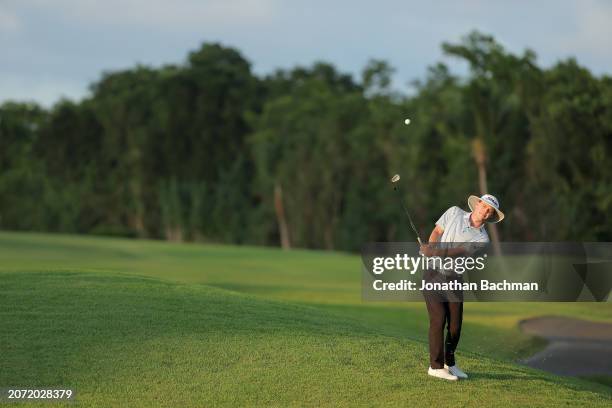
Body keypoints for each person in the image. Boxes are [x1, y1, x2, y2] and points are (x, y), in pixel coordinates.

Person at [419, 194, 505, 381]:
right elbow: (437, 231)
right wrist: (431, 250)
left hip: (454, 278)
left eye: (489, 211)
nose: (485, 211)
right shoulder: (454, 212)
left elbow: (457, 252)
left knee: (455, 327)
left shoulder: (482, 238)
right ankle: (435, 366)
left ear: (490, 215)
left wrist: (433, 252)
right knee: (438, 319)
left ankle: (450, 363)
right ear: (478, 204)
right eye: (484, 206)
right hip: (433, 274)